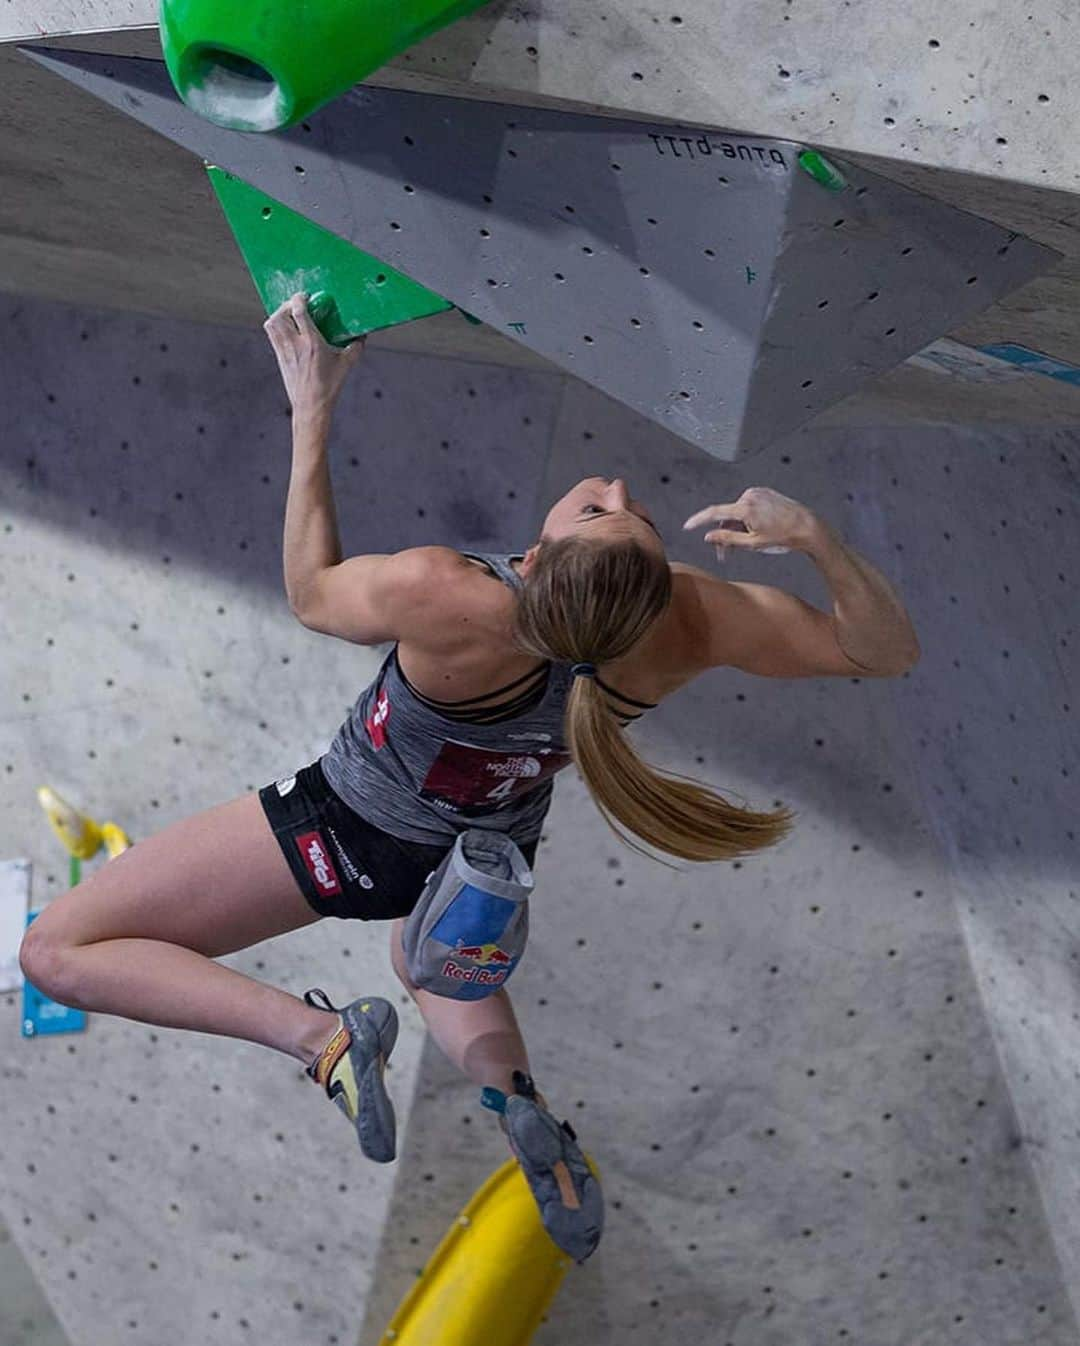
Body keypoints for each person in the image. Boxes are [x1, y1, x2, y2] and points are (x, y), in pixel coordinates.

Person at [19, 293, 920, 1262]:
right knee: (422, 961)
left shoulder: (447, 591)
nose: (617, 485)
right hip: (482, 870)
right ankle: (518, 1104)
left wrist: (312, 406)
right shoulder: (690, 621)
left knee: (59, 951)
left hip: (347, 832)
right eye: (619, 506)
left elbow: (313, 594)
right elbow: (883, 652)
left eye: (606, 511)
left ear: (532, 559)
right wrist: (817, 542)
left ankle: (319, 1041)